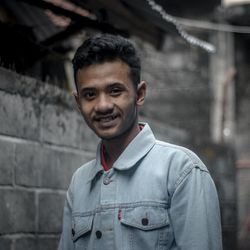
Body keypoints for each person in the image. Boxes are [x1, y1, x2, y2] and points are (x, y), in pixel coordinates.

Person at [58, 33, 222, 250]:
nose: (103, 105)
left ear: (140, 93)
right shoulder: (79, 183)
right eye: (90, 95)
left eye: (115, 91)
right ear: (78, 102)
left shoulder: (182, 171)